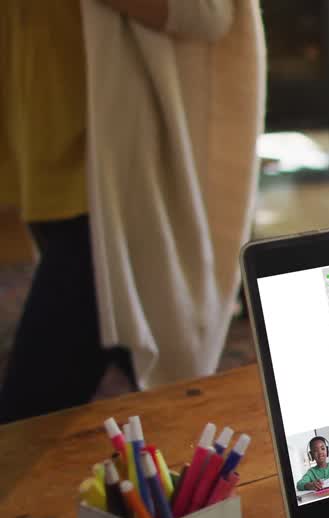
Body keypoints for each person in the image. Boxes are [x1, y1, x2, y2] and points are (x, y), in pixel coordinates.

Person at [0, 0, 264, 423]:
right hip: (46, 167)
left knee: (26, 416)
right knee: (155, 391)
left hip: (115, 190)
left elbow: (209, 12)